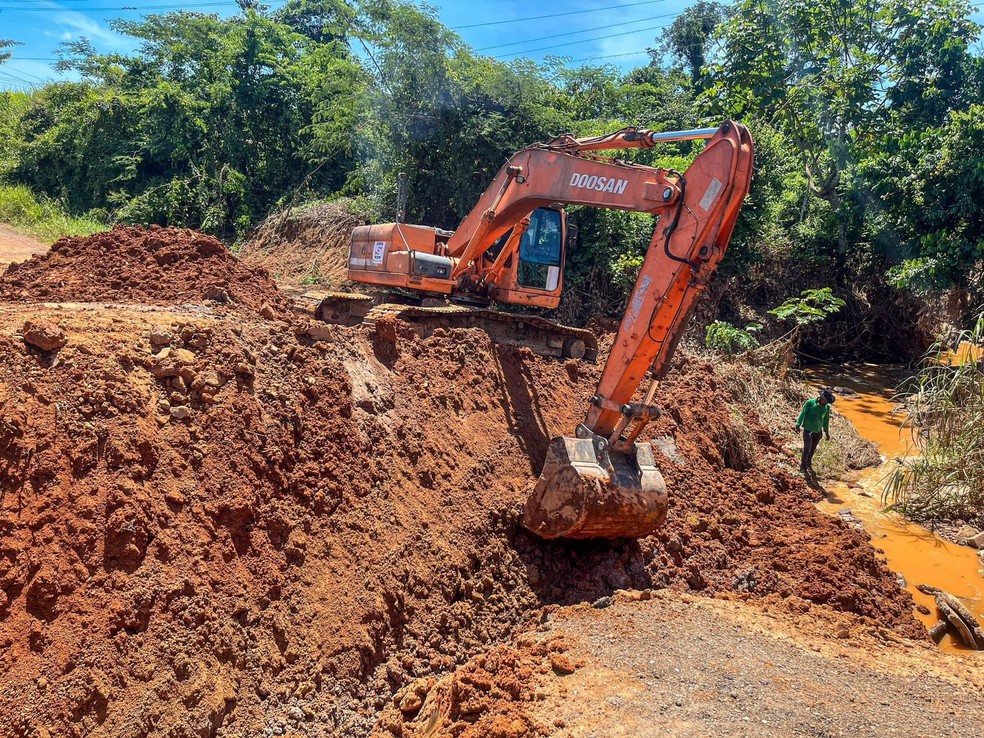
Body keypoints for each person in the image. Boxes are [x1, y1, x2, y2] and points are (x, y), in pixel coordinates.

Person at [795, 389, 834, 473]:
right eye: (823, 400)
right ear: (820, 397)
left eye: (826, 401)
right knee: (807, 449)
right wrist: (798, 424)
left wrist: (826, 432)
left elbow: (826, 420)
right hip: (808, 430)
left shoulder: (826, 407)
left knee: (812, 449)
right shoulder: (810, 403)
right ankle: (803, 466)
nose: (824, 402)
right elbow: (803, 413)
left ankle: (808, 463)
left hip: (818, 431)